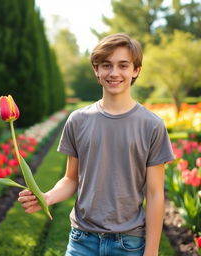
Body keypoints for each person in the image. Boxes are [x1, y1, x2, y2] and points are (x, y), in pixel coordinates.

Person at [18, 33, 175, 256]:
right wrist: (47, 197)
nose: (114, 73)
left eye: (123, 65)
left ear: (136, 70)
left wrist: (152, 252)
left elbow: (155, 193)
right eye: (106, 65)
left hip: (129, 243)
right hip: (82, 240)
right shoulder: (78, 120)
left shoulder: (152, 125)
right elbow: (71, 179)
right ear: (96, 70)